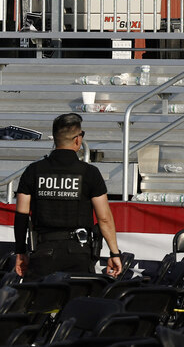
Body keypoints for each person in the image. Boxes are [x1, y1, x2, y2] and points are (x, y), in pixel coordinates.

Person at [14, 113, 122, 278]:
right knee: (77, 302)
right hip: (78, 253)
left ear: (55, 139)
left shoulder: (33, 171)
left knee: (42, 303)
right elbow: (104, 218)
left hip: (43, 253)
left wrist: (20, 252)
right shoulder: (89, 173)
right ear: (78, 140)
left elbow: (21, 215)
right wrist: (114, 253)